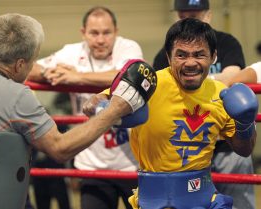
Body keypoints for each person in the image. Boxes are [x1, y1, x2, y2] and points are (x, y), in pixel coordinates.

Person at [0, 13, 153, 209]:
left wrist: (76, 77)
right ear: (19, 64)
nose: (100, 39)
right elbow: (60, 149)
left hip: (128, 163)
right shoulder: (16, 95)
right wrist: (114, 110)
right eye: (30, 62)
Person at [83, 18, 258, 209]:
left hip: (203, 198)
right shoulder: (149, 84)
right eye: (181, 55)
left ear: (213, 56)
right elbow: (92, 103)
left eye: (199, 55)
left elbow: (244, 149)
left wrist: (245, 123)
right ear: (168, 57)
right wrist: (104, 110)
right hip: (155, 200)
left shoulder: (220, 93)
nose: (190, 63)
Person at [28, 6, 142, 209]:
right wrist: (50, 73)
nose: (100, 40)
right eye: (94, 33)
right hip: (91, 166)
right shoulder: (72, 52)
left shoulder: (128, 47)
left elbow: (133, 75)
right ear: (83, 33)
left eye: (106, 33)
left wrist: (76, 76)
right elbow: (30, 68)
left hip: (133, 164)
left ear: (116, 31)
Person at [152, 1, 255, 209]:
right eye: (183, 15)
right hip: (184, 150)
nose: (189, 19)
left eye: (195, 14)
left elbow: (233, 76)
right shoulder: (166, 52)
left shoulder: (226, 42)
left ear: (208, 15)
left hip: (226, 148)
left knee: (239, 204)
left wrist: (196, 83)